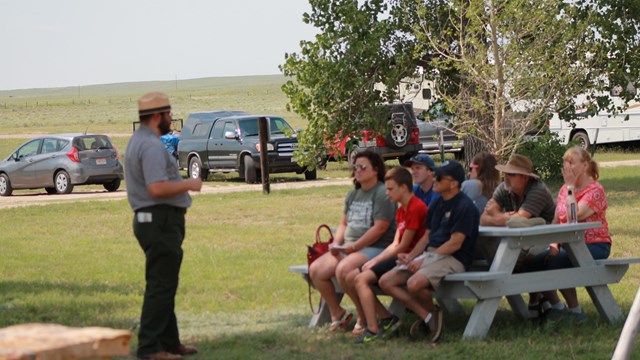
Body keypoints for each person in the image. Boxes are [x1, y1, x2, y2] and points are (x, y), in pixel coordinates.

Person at [125, 92, 203, 360]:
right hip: (159, 220)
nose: (171, 120)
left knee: (163, 281)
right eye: (168, 114)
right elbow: (156, 187)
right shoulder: (151, 146)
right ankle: (150, 347)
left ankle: (169, 342)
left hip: (153, 220)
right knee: (161, 284)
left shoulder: (139, 141)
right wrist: (189, 184)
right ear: (158, 116)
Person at [379, 160, 479, 343]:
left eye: (439, 177)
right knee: (386, 281)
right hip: (433, 254)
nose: (434, 178)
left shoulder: (464, 207)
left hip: (453, 258)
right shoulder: (438, 202)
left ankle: (431, 319)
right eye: (435, 174)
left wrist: (425, 258)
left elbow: (455, 244)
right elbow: (426, 237)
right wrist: (411, 256)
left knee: (414, 283)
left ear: (454, 183)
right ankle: (428, 316)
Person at [308, 150, 396, 333]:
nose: (358, 170)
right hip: (349, 248)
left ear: (375, 170)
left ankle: (364, 315)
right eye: (356, 167)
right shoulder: (353, 195)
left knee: (344, 269)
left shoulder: (382, 193)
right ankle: (337, 313)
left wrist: (354, 246)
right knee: (315, 269)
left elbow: (380, 228)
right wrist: (336, 244)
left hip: (376, 247)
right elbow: (343, 224)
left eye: (363, 167)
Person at [526, 146, 611, 320]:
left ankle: (576, 312)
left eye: (571, 163)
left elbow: (574, 217)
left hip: (594, 245)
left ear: (585, 165)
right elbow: (557, 220)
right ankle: (556, 306)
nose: (566, 167)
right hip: (567, 244)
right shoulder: (565, 190)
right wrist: (553, 244)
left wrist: (571, 187)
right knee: (533, 264)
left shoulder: (595, 191)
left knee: (557, 263)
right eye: (565, 162)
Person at [352, 167, 428, 344]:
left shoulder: (416, 207)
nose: (387, 193)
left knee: (361, 280)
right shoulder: (401, 210)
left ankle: (373, 328)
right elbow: (395, 243)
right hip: (399, 257)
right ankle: (384, 319)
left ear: (403, 188)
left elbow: (403, 246)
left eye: (390, 189)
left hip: (409, 259)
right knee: (353, 276)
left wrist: (376, 261)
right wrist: (373, 261)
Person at [480, 153, 555, 316]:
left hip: (548, 239)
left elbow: (519, 220)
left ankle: (541, 300)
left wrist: (498, 216)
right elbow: (483, 219)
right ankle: (541, 300)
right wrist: (506, 217)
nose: (506, 177)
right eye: (506, 173)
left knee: (528, 257)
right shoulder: (504, 188)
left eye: (512, 175)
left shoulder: (538, 190)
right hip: (520, 241)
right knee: (491, 249)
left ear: (525, 178)